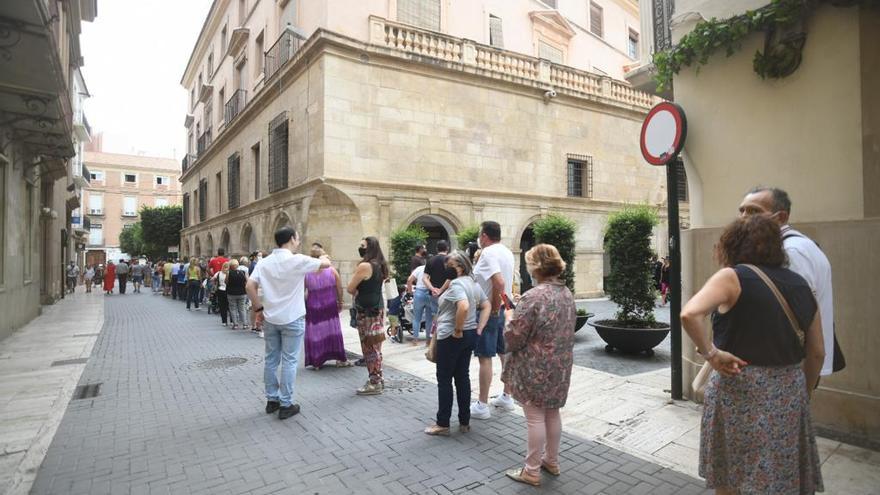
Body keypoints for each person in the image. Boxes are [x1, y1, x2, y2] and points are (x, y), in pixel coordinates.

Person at [681, 215, 824, 494]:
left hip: (740, 390)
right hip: (789, 391)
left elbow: (689, 313)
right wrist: (801, 394)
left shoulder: (733, 277)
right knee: (780, 477)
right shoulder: (800, 284)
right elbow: (817, 352)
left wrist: (711, 353)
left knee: (732, 476)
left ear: (731, 244)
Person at [739, 186, 840, 377]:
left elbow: (792, 315)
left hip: (790, 365)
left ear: (781, 217)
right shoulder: (786, 247)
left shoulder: (790, 252)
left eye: (754, 211)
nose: (744, 217)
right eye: (742, 210)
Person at [500, 244, 576, 486]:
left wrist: (509, 318)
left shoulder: (534, 296)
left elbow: (514, 337)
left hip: (535, 365)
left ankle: (531, 471)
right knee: (552, 412)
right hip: (560, 365)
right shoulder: (565, 292)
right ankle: (551, 461)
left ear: (536, 267)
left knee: (534, 416)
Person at [246, 227, 331, 420]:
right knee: (290, 361)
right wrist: (324, 257)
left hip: (271, 318)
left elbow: (249, 285)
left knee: (271, 359)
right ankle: (286, 404)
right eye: (298, 239)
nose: (299, 242)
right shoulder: (297, 260)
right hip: (292, 318)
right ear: (292, 239)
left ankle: (272, 400)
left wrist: (258, 309)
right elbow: (325, 264)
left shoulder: (264, 262)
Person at [424, 251, 490, 436]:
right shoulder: (472, 283)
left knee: (444, 379)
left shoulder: (457, 285)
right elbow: (486, 305)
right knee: (462, 377)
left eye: (451, 265)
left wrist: (458, 329)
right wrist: (478, 327)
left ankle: (443, 423)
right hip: (468, 335)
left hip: (452, 336)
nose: (447, 268)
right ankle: (464, 421)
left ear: (461, 266)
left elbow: (463, 306)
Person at [471, 221, 516, 419]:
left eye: (480, 235)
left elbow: (499, 281)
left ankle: (482, 405)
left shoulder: (488, 253)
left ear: (485, 236)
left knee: (485, 356)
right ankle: (507, 396)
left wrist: (494, 308)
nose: (478, 239)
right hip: (501, 307)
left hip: (489, 310)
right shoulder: (506, 251)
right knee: (503, 352)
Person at [347, 236, 390, 395]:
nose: (360, 248)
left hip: (366, 312)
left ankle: (374, 382)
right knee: (376, 346)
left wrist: (358, 290)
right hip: (377, 310)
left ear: (369, 248)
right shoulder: (381, 265)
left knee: (369, 347)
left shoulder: (365, 266)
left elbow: (350, 288)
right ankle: (378, 378)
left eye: (362, 245)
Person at [304, 246, 351, 369]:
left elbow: (302, 291)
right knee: (332, 330)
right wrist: (340, 302)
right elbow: (339, 288)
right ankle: (340, 360)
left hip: (313, 306)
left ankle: (316, 362)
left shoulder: (306, 273)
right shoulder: (332, 270)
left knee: (315, 332)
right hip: (329, 304)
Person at [423, 240, 452, 339]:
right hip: (448, 292)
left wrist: (433, 289)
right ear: (447, 249)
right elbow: (450, 278)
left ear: (437, 249)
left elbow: (424, 278)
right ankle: (444, 337)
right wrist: (441, 289)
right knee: (447, 315)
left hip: (433, 294)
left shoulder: (430, 260)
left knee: (435, 315)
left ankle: (433, 338)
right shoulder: (450, 260)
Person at [405, 257, 430, 344]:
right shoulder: (433, 268)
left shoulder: (419, 268)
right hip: (430, 293)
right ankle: (428, 340)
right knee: (429, 318)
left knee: (416, 318)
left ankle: (415, 339)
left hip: (419, 293)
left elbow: (409, 280)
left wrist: (410, 291)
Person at [227, 259, 248, 330]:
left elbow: (226, 282)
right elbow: (247, 282)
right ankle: (245, 324)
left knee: (233, 309)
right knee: (242, 308)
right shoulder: (243, 272)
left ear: (231, 266)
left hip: (231, 293)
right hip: (242, 293)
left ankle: (235, 324)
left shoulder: (229, 273)